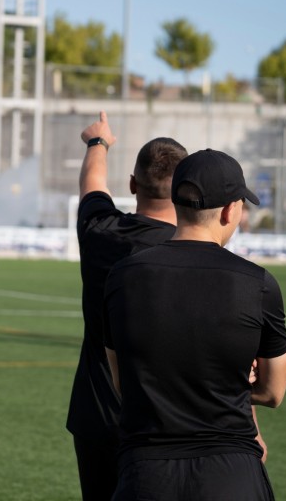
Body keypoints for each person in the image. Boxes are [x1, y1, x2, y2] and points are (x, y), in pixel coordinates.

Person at [105, 149, 286, 500]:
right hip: (231, 473)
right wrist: (226, 384)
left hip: (146, 472)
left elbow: (121, 382)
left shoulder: (123, 277)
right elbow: (273, 392)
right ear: (229, 210)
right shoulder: (258, 284)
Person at [68, 111, 188, 500]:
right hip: (167, 422)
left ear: (133, 184)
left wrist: (97, 142)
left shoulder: (100, 232)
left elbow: (92, 186)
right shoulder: (196, 253)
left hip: (98, 415)